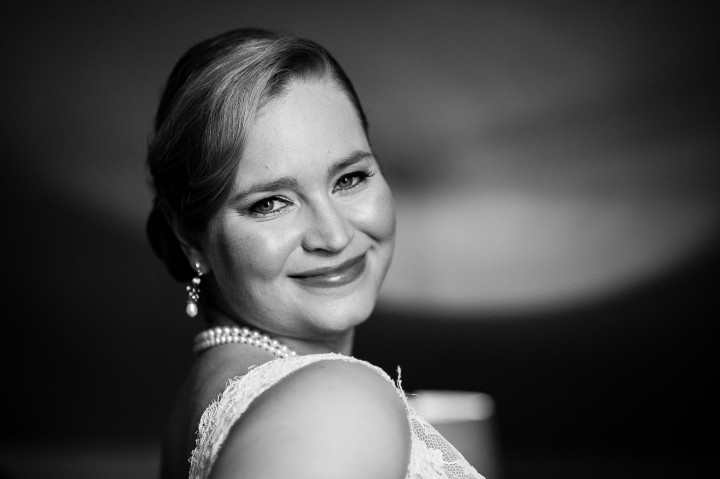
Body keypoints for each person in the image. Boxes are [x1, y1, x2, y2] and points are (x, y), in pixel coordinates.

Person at [147, 28, 484, 479]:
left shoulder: (216, 394)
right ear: (191, 239)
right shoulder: (333, 401)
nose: (334, 235)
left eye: (349, 178)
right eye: (269, 204)